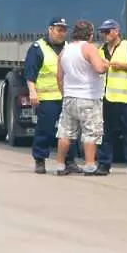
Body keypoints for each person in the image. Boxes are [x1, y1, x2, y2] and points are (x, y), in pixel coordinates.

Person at [53, 20, 110, 175]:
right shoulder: (89, 48)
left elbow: (59, 76)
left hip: (70, 97)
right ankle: (90, 164)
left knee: (65, 133)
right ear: (90, 34)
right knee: (90, 133)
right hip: (89, 97)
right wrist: (106, 65)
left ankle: (59, 164)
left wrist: (64, 93)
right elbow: (98, 69)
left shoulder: (65, 51)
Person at [26, 17, 79, 174]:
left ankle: (70, 161)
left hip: (67, 96)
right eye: (58, 29)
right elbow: (30, 73)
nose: (62, 33)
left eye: (64, 30)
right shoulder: (38, 47)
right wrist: (32, 91)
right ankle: (40, 160)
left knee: (69, 131)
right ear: (50, 29)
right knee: (46, 130)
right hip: (47, 97)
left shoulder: (69, 48)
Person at [95, 19, 127, 175]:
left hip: (125, 99)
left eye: (107, 31)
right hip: (107, 98)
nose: (104, 35)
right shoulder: (101, 50)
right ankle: (104, 165)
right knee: (105, 134)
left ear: (116, 31)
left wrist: (123, 66)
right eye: (103, 32)